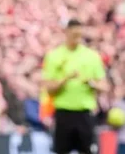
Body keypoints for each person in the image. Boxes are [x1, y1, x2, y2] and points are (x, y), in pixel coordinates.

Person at [41, 19, 108, 154]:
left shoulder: (92, 56)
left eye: (79, 35)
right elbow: (49, 88)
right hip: (63, 112)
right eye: (74, 35)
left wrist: (90, 82)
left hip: (85, 113)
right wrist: (66, 79)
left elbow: (104, 86)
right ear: (66, 33)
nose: (77, 38)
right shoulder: (54, 56)